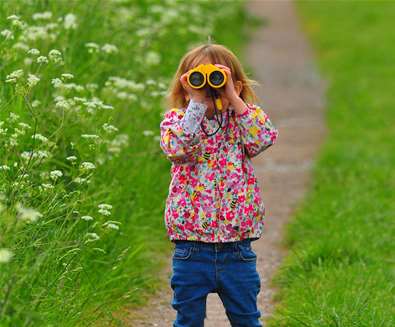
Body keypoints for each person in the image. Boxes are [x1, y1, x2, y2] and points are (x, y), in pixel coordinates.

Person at [159, 43, 279, 327]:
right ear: (185, 85)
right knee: (188, 320)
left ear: (234, 84)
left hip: (237, 247)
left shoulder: (240, 121)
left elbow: (263, 138)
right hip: (191, 247)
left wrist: (234, 100)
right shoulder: (177, 121)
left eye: (217, 79)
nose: (209, 87)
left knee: (247, 319)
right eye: (199, 78)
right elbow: (175, 148)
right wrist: (196, 104)